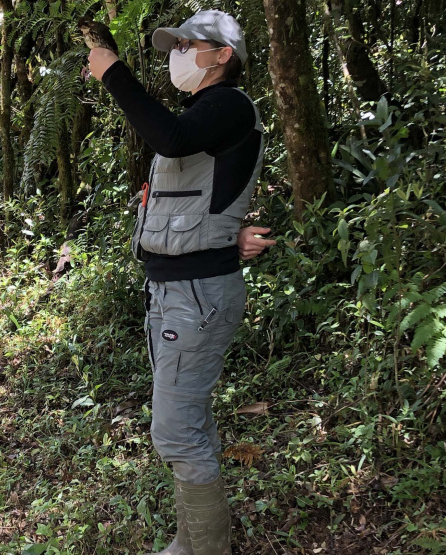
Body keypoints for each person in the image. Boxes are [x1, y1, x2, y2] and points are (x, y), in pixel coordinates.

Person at [86, 10, 276, 555]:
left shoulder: (229, 105)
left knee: (174, 432)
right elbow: (209, 192)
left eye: (191, 45)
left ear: (222, 57)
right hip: (175, 292)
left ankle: (204, 549)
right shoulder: (205, 114)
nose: (179, 53)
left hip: (196, 297)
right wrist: (227, 234)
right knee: (186, 422)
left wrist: (113, 72)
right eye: (177, 45)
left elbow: (169, 138)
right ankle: (193, 540)